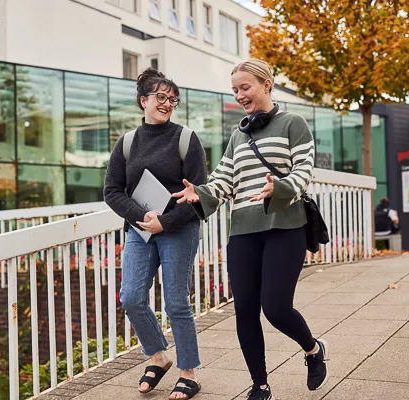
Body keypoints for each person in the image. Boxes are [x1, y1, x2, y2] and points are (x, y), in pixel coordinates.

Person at [173, 59, 329, 400]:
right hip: (242, 232)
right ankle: (259, 385)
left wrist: (281, 187)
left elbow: (305, 170)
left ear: (266, 84)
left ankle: (314, 349)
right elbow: (223, 180)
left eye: (245, 87)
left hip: (284, 226)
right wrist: (198, 192)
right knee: (244, 309)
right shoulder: (238, 134)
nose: (239, 95)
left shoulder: (293, 123)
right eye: (234, 90)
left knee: (275, 308)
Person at [104, 68, 207, 399]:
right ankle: (159, 357)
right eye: (160, 97)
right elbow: (112, 191)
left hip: (179, 228)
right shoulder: (127, 143)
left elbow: (200, 194)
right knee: (131, 297)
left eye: (172, 99)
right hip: (140, 230)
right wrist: (141, 216)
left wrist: (167, 221)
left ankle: (188, 372)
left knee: (176, 301)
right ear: (143, 100)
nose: (166, 103)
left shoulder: (186, 140)